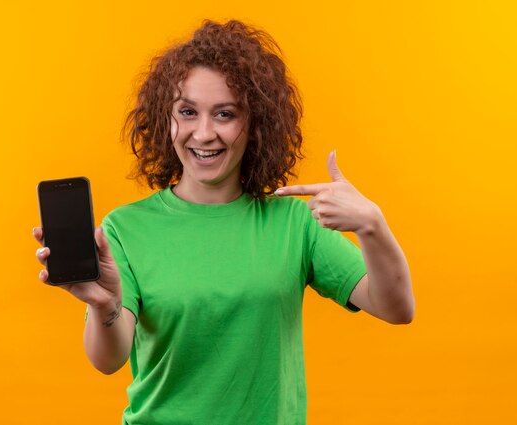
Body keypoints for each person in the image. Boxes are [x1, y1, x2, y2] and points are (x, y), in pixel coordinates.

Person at [33, 20, 414, 425]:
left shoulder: (293, 223)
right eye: (187, 112)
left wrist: (372, 226)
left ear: (255, 124)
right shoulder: (124, 230)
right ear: (167, 120)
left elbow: (396, 307)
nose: (204, 133)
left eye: (225, 114)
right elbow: (108, 360)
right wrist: (106, 304)